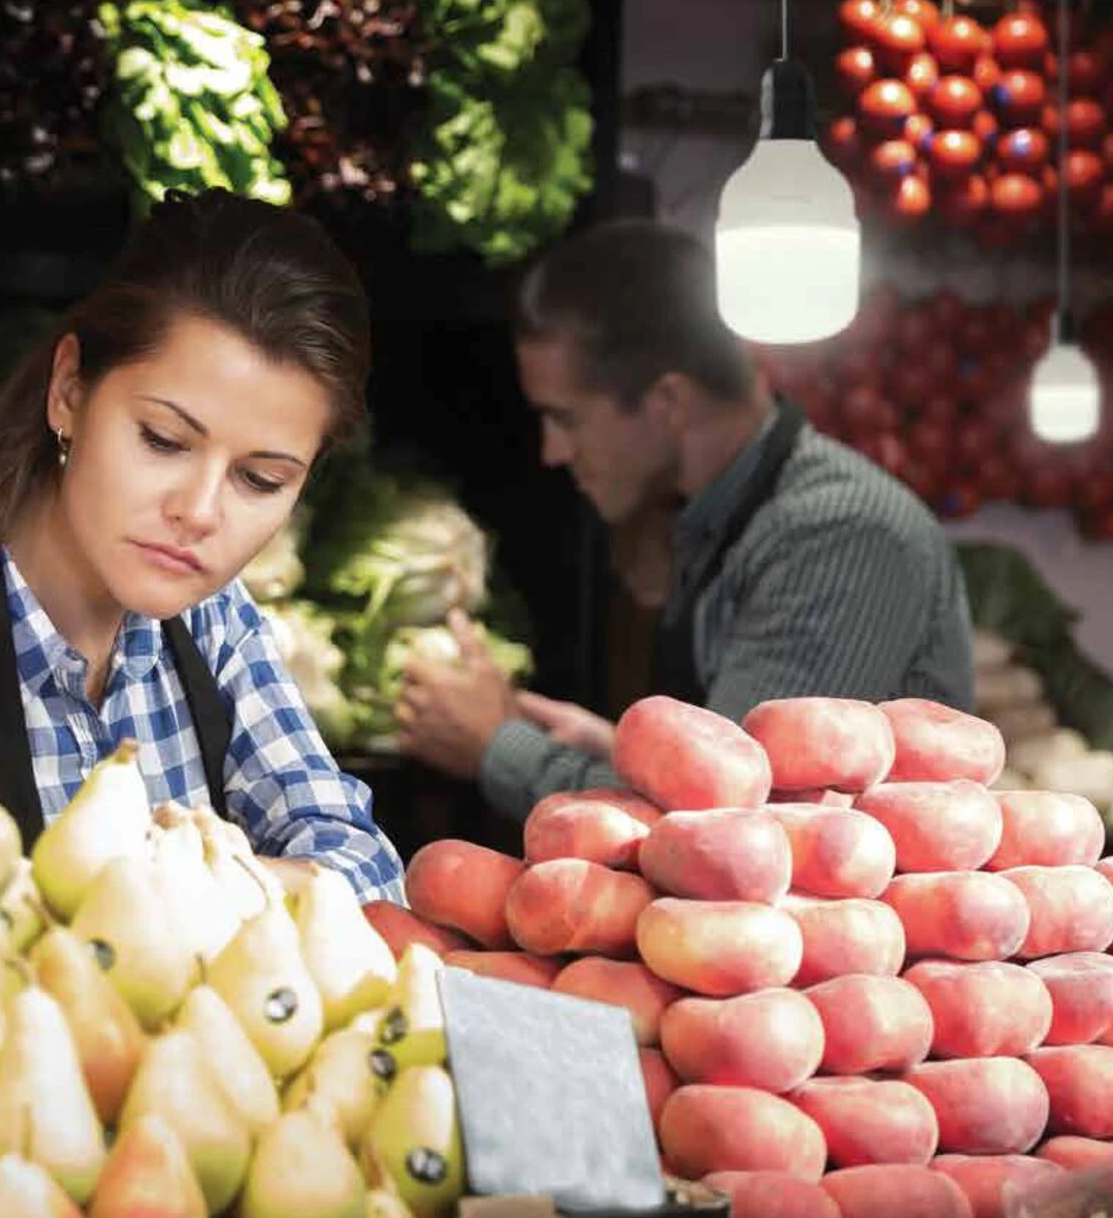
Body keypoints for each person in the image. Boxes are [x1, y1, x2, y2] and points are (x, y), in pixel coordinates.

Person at [0, 189, 404, 904]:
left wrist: (166, 889)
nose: (199, 513)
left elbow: (364, 867)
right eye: (164, 441)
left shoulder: (214, 625)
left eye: (260, 479)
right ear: (69, 392)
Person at [396, 218, 975, 823]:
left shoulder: (840, 535)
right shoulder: (725, 514)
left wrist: (499, 750)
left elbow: (736, 817)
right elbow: (726, 772)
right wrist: (617, 749)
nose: (552, 451)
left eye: (565, 419)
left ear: (667, 403)